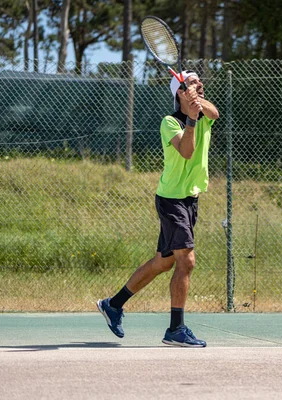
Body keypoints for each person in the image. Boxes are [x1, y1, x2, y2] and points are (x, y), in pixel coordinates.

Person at [97, 70, 219, 347]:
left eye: (200, 82)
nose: (199, 84)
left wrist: (196, 103)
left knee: (163, 263)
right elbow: (186, 151)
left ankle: (113, 305)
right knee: (186, 261)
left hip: (190, 199)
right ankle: (176, 329)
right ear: (179, 92)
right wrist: (189, 117)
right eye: (192, 82)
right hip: (171, 200)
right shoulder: (169, 122)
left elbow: (215, 113)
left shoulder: (204, 114)